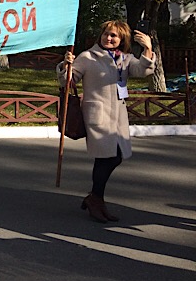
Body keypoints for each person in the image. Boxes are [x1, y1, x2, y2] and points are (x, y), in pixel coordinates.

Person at [57, 20, 155, 222]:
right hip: (98, 115)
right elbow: (68, 81)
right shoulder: (88, 57)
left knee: (112, 157)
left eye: (114, 36)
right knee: (108, 157)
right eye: (106, 34)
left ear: (122, 39)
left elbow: (143, 71)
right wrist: (66, 65)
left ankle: (95, 198)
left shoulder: (125, 58)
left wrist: (147, 48)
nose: (108, 38)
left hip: (118, 116)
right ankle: (96, 199)